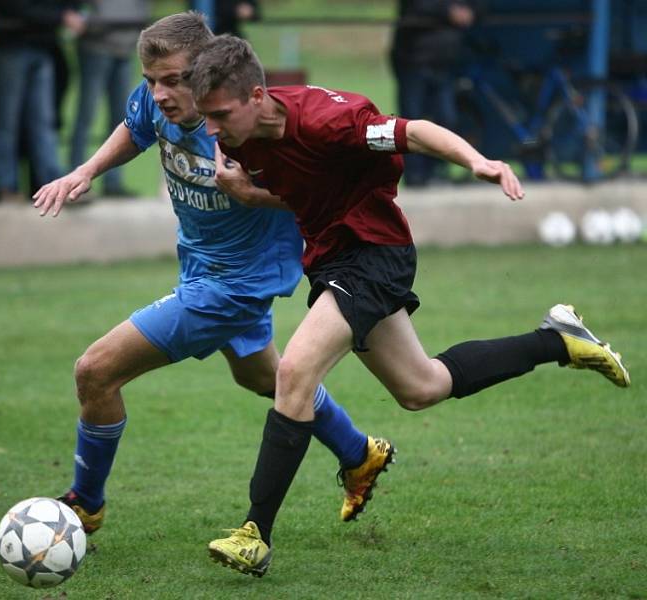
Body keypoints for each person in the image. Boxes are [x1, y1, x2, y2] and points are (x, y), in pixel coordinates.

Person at [185, 34, 631, 577]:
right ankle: (558, 339)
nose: (211, 129)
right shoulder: (238, 138)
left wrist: (477, 161)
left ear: (257, 95)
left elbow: (413, 131)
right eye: (205, 117)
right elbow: (307, 192)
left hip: (373, 253)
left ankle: (254, 533)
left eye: (219, 115)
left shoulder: (330, 119)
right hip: (333, 258)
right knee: (422, 388)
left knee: (295, 371)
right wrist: (252, 195)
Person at [32, 11, 394, 539]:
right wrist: (85, 171)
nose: (160, 93)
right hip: (200, 265)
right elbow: (136, 127)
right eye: (151, 80)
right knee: (259, 376)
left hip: (234, 285)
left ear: (205, 77)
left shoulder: (242, 133)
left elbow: (321, 186)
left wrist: (251, 193)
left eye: (174, 80)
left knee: (95, 370)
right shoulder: (158, 104)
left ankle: (85, 504)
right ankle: (360, 454)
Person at [0, 0, 84, 203]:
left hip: (42, 46)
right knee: (7, 122)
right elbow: (18, 7)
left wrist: (65, 13)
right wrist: (61, 16)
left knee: (42, 122)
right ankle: (7, 187)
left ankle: (53, 184)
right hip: (12, 47)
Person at [391, 0, 478, 186]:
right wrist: (449, 12)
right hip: (413, 59)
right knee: (411, 121)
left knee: (447, 119)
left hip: (444, 62)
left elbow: (478, 7)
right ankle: (414, 176)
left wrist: (470, 12)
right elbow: (418, 6)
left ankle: (432, 171)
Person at [69, 0, 150, 198]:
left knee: (122, 118)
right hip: (96, 49)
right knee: (86, 116)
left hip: (126, 49)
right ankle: (74, 180)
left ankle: (113, 183)